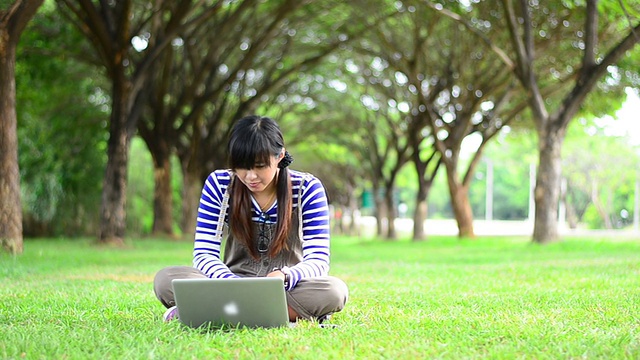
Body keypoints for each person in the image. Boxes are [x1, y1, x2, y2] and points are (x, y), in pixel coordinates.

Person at [153, 115, 348, 324]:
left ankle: (214, 313)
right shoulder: (219, 184)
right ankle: (277, 315)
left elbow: (318, 260)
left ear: (280, 156)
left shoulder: (307, 188)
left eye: (260, 166)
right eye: (242, 166)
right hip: (229, 282)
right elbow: (203, 253)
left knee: (334, 291)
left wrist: (284, 276)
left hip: (285, 285)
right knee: (165, 280)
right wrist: (233, 284)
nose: (250, 176)